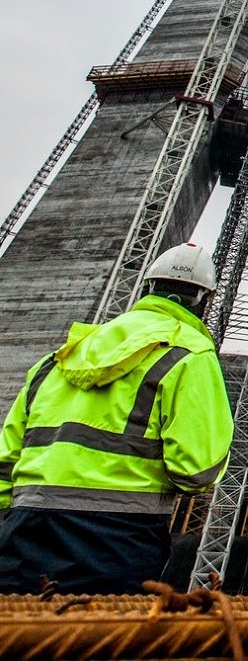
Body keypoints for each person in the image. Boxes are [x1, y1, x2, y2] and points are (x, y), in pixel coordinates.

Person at [0, 243, 233, 594]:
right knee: (101, 641)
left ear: (146, 288)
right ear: (205, 300)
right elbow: (196, 471)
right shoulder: (190, 356)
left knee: (20, 637)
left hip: (24, 528)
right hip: (118, 538)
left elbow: (6, 460)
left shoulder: (60, 358)